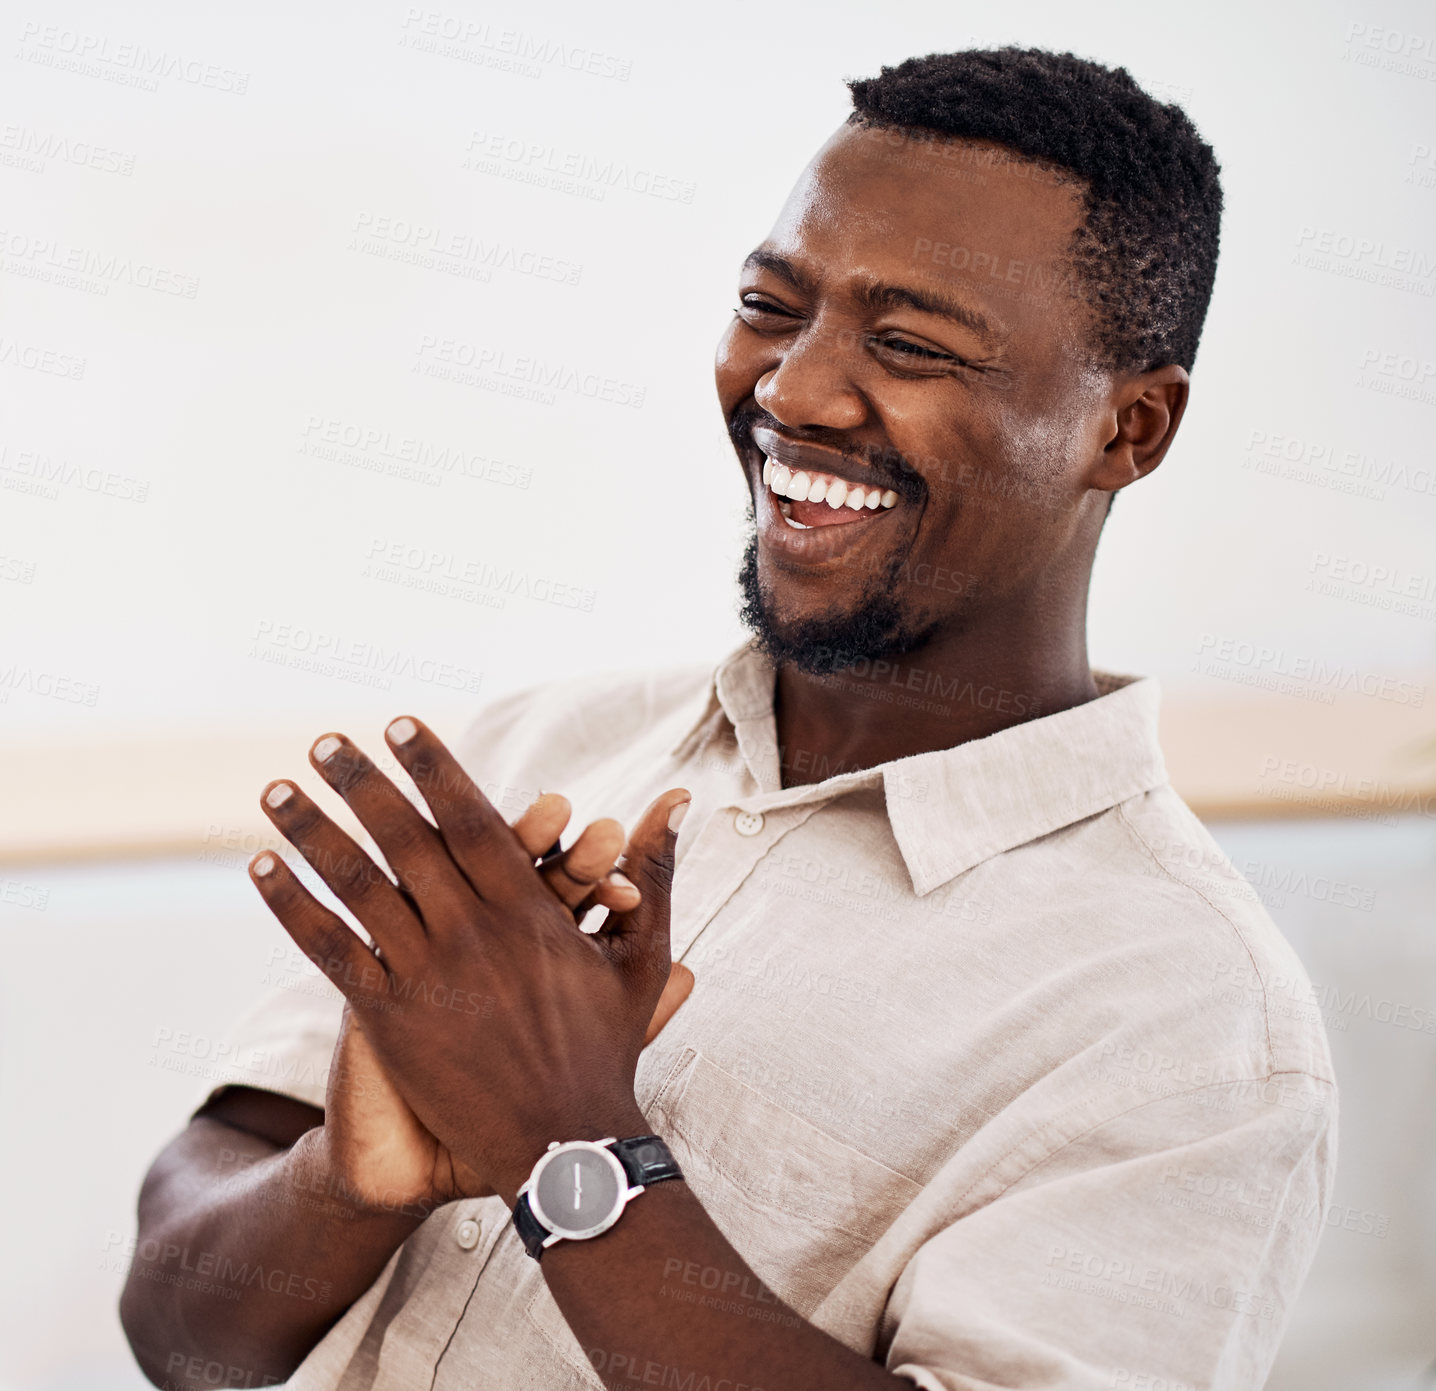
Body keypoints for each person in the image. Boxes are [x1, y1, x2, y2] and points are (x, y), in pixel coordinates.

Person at [120, 46, 1335, 1391]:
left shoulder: (1192, 1025)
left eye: (913, 346)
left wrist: (567, 1145)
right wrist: (351, 1186)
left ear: (1132, 429)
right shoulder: (540, 752)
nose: (794, 393)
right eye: (773, 304)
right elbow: (183, 1336)